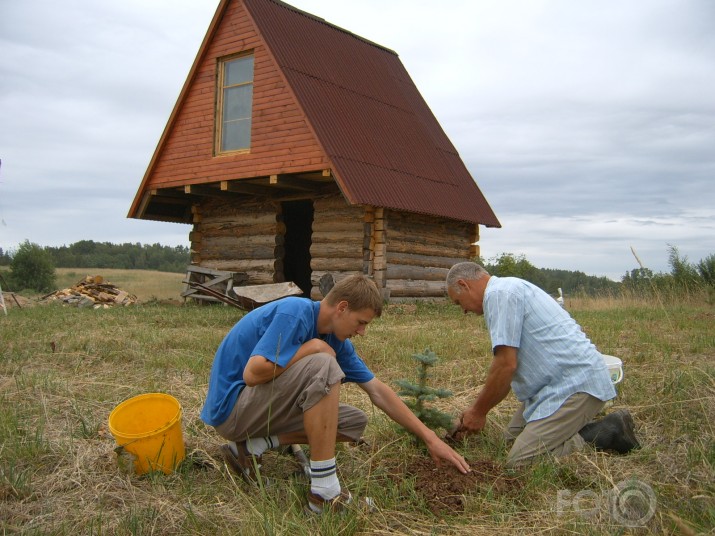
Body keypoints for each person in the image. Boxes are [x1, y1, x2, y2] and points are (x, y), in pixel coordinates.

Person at [200, 274, 470, 513]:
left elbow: (377, 391)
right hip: (232, 411)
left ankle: (251, 447)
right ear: (342, 308)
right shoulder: (296, 312)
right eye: (361, 322)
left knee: (353, 422)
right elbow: (253, 373)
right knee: (324, 363)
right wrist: (310, 349)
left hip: (256, 411)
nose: (362, 332)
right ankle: (324, 492)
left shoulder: (336, 340)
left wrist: (429, 437)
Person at [445, 262, 640, 467]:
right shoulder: (507, 289)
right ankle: (568, 428)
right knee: (509, 443)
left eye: (459, 303)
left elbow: (505, 365)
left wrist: (478, 412)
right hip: (550, 388)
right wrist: (478, 410)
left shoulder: (499, 295)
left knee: (520, 462)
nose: (464, 311)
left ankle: (606, 431)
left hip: (576, 385)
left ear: (464, 284)